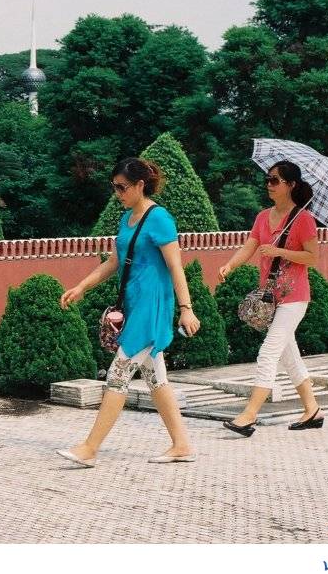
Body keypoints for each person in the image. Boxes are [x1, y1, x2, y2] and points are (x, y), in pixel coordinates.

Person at [56, 158, 201, 468]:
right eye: (114, 188)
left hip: (152, 308)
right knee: (155, 378)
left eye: (122, 187)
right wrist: (82, 286)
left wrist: (186, 309)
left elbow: (176, 266)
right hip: (134, 305)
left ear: (140, 185)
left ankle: (90, 447)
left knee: (118, 372)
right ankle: (182, 444)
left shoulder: (160, 218)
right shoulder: (127, 219)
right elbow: (113, 262)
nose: (117, 193)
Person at [217, 160, 321, 436]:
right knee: (289, 356)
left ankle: (249, 416)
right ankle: (312, 409)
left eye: (275, 180)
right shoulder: (263, 216)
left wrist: (281, 253)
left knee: (268, 353)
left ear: (291, 185)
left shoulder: (303, 219)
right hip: (270, 297)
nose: (269, 185)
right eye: (268, 179)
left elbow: (313, 257)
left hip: (294, 297)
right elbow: (249, 246)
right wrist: (231, 265)